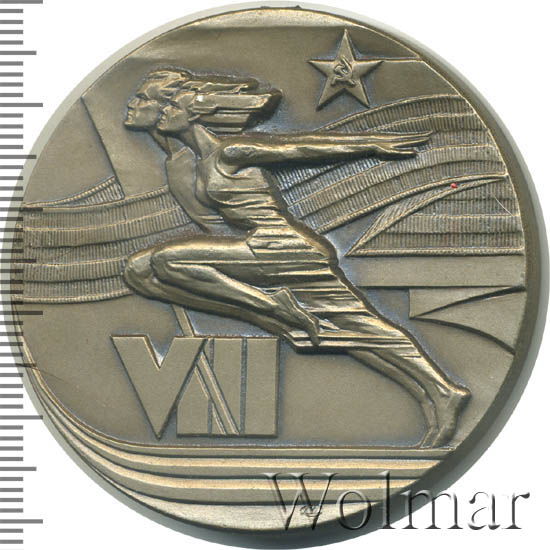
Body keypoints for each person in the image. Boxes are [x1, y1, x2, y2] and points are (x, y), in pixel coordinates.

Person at [123, 70, 470, 448]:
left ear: (196, 114)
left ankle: (275, 307)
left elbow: (297, 148)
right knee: (352, 334)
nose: (162, 113)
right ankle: (439, 393)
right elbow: (170, 147)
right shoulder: (190, 160)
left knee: (170, 261)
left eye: (170, 106)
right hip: (260, 249)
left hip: (282, 247)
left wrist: (371, 143)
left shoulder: (229, 151)